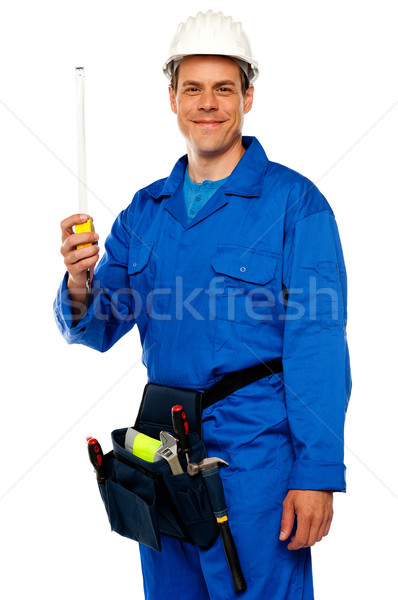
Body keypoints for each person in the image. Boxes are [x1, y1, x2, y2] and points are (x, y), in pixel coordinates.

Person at [54, 10, 351, 600]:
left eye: (223, 88)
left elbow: (318, 348)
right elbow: (99, 325)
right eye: (193, 88)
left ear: (247, 97)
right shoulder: (146, 211)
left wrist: (317, 474)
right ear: (172, 98)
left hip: (256, 465)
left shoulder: (296, 204)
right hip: (161, 455)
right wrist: (80, 280)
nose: (208, 103)